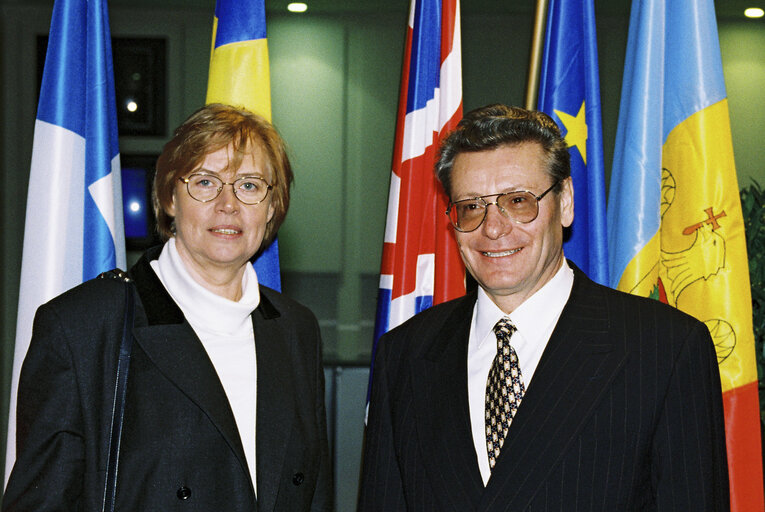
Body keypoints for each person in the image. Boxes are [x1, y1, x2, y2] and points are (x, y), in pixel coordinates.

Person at [359, 104, 729, 511]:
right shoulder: (405, 355)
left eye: (518, 201)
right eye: (471, 207)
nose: (493, 228)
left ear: (565, 201)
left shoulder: (665, 350)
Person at [3, 104, 332, 512]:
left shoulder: (296, 330)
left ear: (271, 208)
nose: (228, 203)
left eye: (249, 185)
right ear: (169, 198)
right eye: (206, 182)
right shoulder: (83, 327)